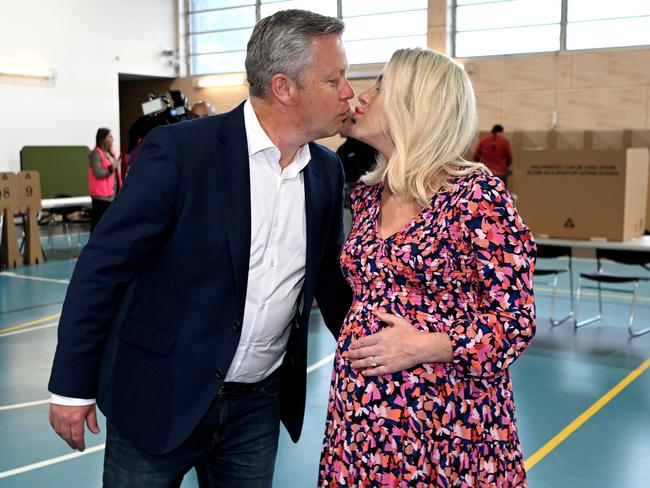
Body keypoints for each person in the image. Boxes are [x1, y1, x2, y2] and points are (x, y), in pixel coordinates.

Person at [48, 9, 353, 487]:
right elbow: (104, 267)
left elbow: (331, 282)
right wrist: (71, 384)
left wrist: (383, 348)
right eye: (335, 79)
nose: (349, 92)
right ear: (283, 87)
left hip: (258, 404)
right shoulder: (180, 151)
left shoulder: (326, 172)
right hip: (159, 394)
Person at [319, 48, 536, 486]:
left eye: (379, 88)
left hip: (445, 422)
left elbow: (515, 322)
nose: (361, 96)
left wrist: (424, 345)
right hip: (363, 420)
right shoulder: (368, 196)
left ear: (413, 105)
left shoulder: (476, 197)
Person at [89, 128, 121, 231]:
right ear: (103, 139)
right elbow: (98, 173)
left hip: (112, 195)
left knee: (110, 225)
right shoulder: (96, 154)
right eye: (109, 136)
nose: (112, 139)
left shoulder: (111, 153)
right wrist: (112, 168)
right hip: (101, 196)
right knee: (98, 224)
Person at [473, 123, 513, 188]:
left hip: (485, 173)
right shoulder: (504, 141)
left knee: (485, 194)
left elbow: (475, 157)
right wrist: (504, 167)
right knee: (501, 194)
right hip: (500, 174)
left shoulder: (483, 141)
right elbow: (509, 159)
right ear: (501, 132)